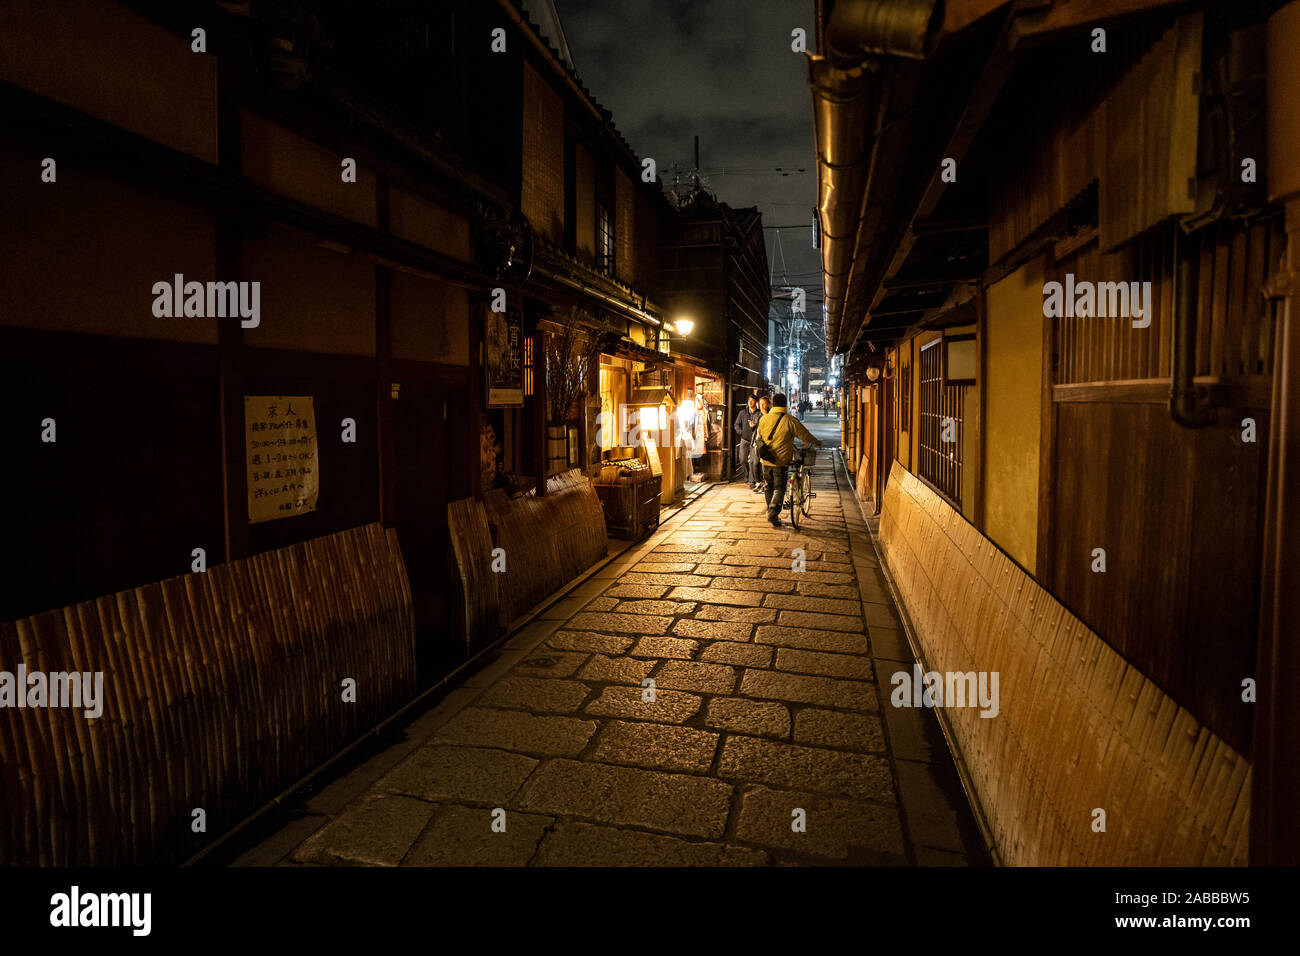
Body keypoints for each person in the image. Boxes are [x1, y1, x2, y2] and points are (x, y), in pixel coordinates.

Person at [756, 393, 822, 527]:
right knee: (779, 487)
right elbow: (805, 435)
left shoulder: (764, 419)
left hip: (766, 460)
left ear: (772, 404)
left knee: (769, 486)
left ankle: (771, 510)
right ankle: (773, 513)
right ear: (785, 404)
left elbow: (759, 437)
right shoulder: (790, 420)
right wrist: (816, 442)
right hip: (780, 461)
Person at [733, 395, 762, 491]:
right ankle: (748, 474)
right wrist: (741, 432)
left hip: (755, 441)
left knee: (752, 461)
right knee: (742, 459)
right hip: (744, 439)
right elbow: (736, 424)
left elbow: (762, 426)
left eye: (752, 401)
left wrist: (755, 426)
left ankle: (751, 481)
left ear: (756, 402)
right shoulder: (743, 413)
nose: (750, 402)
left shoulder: (759, 414)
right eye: (749, 400)